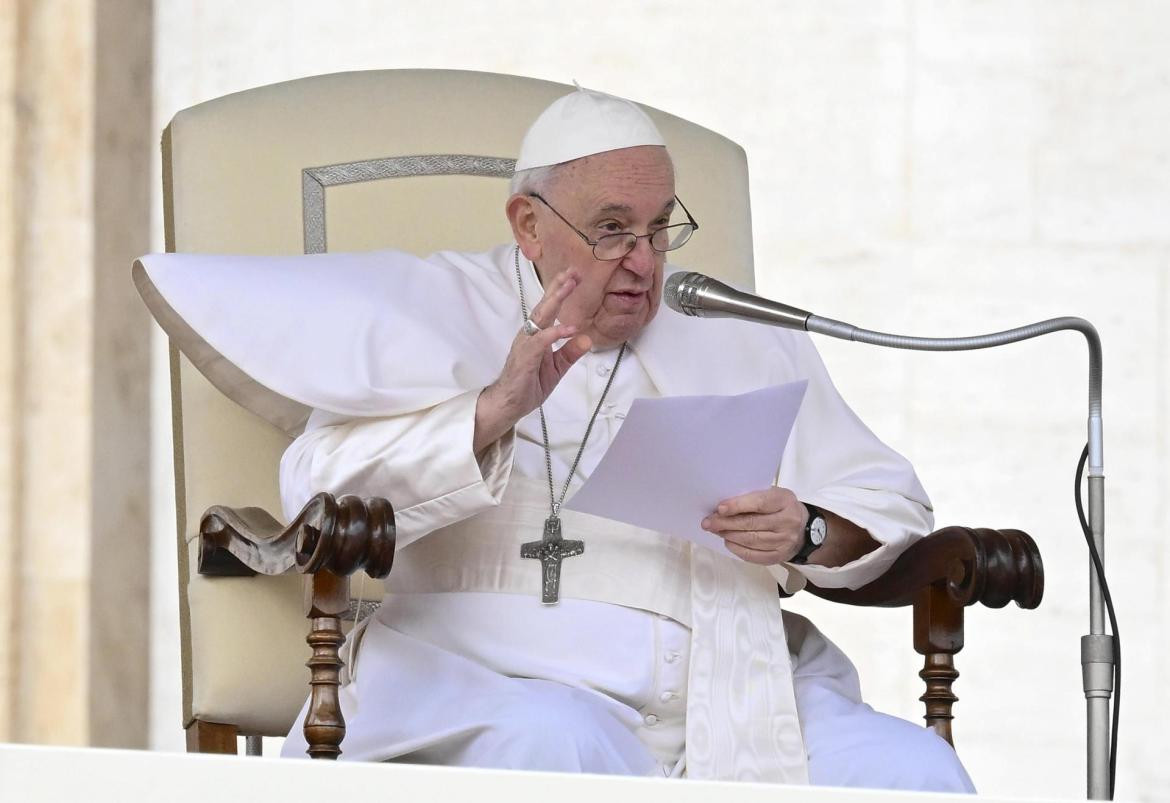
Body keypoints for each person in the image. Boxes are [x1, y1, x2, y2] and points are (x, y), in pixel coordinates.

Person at [136, 86, 973, 791]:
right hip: (494, 687)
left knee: (914, 772)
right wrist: (491, 410)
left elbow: (887, 500)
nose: (643, 262)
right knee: (554, 741)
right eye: (611, 229)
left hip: (736, 695)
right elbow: (315, 487)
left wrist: (809, 529)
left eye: (658, 228)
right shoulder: (434, 313)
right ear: (527, 226)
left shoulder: (735, 329)